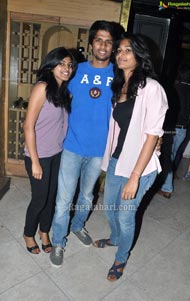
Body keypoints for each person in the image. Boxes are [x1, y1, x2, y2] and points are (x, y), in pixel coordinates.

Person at [93, 33, 168, 281]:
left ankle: (121, 257)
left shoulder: (153, 88)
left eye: (128, 50)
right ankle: (115, 239)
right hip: (118, 159)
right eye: (119, 50)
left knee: (126, 215)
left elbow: (151, 136)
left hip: (141, 167)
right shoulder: (119, 86)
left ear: (139, 55)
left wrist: (134, 177)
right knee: (108, 209)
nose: (121, 54)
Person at [50, 20, 125, 267]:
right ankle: (58, 241)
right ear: (91, 43)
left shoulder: (118, 75)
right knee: (64, 198)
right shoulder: (76, 70)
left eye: (108, 41)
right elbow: (58, 96)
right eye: (98, 40)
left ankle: (78, 225)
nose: (103, 45)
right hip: (72, 146)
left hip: (99, 150)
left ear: (113, 47)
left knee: (86, 196)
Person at [23, 47, 77, 254]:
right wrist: (35, 161)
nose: (66, 68)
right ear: (51, 65)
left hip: (57, 153)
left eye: (69, 65)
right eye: (61, 63)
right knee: (39, 198)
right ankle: (28, 233)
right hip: (39, 155)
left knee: (52, 196)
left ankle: (44, 231)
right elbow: (28, 126)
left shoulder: (63, 92)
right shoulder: (42, 87)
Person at [158, 64, 190, 199]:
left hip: (171, 127)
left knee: (166, 157)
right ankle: (167, 181)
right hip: (183, 129)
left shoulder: (173, 89)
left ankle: (166, 186)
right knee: (173, 155)